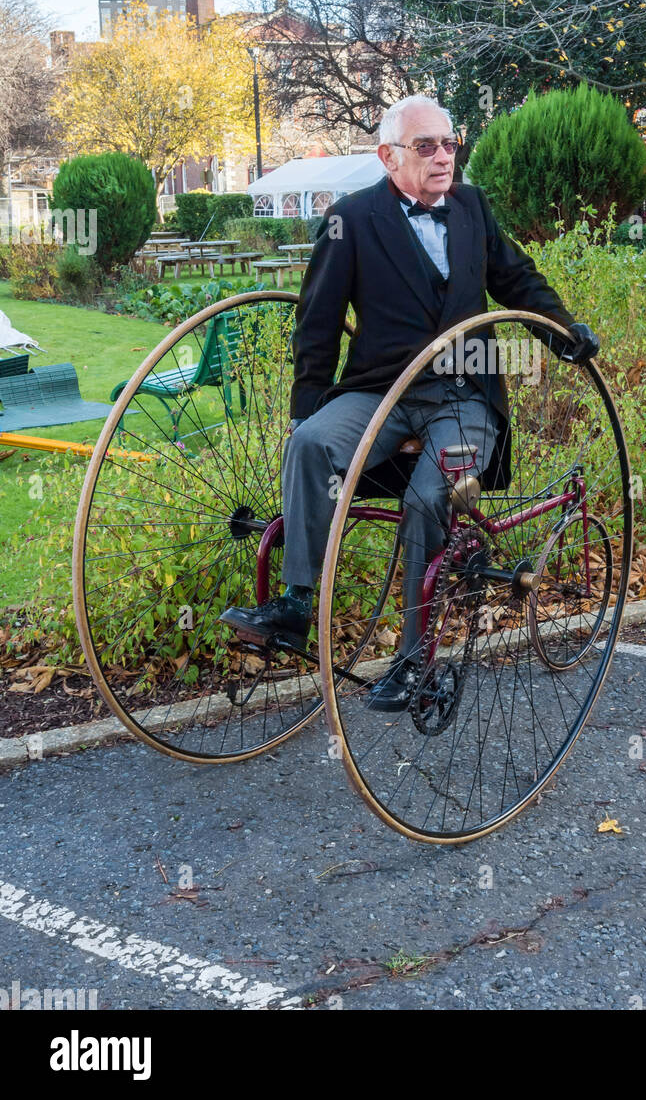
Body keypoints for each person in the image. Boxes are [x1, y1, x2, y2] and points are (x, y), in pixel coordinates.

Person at [221, 94, 598, 711]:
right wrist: (308, 408)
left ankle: (415, 661)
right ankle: (294, 604)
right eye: (427, 146)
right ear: (388, 156)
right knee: (311, 444)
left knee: (431, 496)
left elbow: (518, 281)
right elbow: (317, 323)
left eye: (451, 144)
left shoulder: (474, 208)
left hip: (464, 393)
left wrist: (562, 331)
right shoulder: (352, 218)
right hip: (381, 389)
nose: (444, 156)